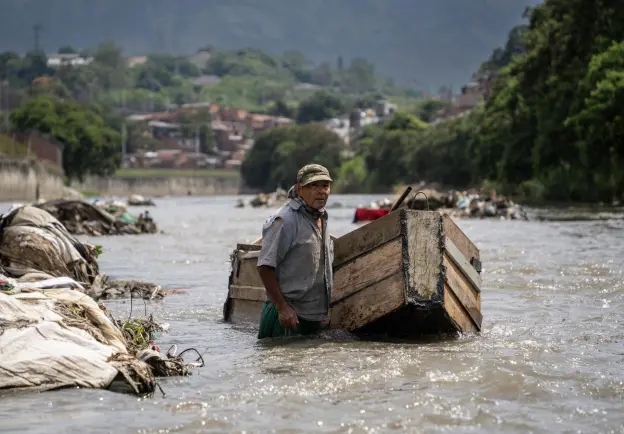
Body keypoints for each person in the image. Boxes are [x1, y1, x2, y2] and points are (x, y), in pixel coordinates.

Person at [256, 164, 334, 339]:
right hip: (285, 318)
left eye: (325, 186)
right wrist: (282, 308)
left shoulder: (322, 217)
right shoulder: (285, 220)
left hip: (313, 318)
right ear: (299, 189)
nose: (321, 191)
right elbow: (264, 266)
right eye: (314, 186)